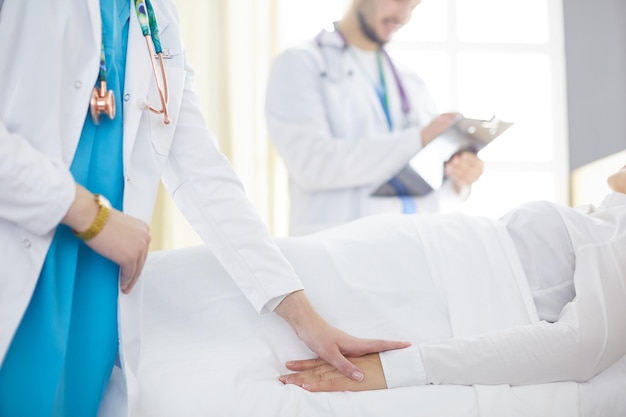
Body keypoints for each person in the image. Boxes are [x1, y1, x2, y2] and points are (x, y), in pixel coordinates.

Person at [0, 1, 409, 416]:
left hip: (99, 280)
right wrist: (88, 213)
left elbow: (202, 171)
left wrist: (303, 315)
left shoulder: (153, 14)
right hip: (29, 247)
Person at [278, 161, 626, 391]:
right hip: (419, 256)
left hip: (438, 291)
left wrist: (399, 369)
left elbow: (583, 344)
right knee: (277, 269)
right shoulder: (604, 218)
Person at [265, 0, 484, 236]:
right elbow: (310, 164)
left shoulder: (410, 80)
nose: (403, 16)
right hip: (338, 249)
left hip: (413, 246)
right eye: (400, 1)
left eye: (413, 6)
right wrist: (417, 140)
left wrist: (458, 176)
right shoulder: (301, 63)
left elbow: (424, 180)